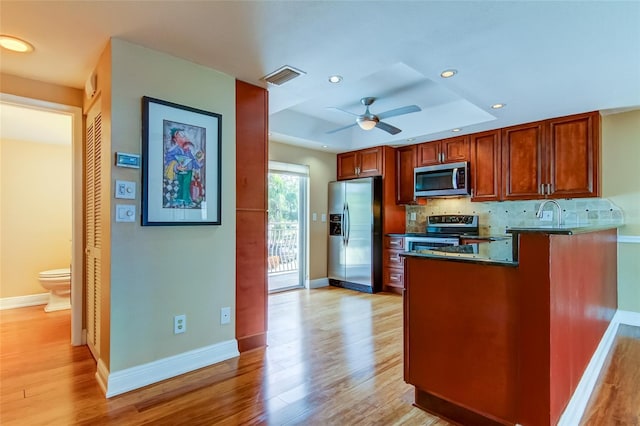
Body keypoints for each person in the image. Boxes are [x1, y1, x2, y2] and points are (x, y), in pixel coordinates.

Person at [164, 128, 204, 207]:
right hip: (179, 171)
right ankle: (179, 199)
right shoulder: (174, 150)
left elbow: (193, 160)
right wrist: (176, 167)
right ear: (175, 139)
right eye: (181, 136)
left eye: (184, 136)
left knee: (186, 185)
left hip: (188, 172)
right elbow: (168, 160)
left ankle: (186, 200)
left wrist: (199, 161)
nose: (184, 138)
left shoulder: (188, 150)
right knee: (180, 184)